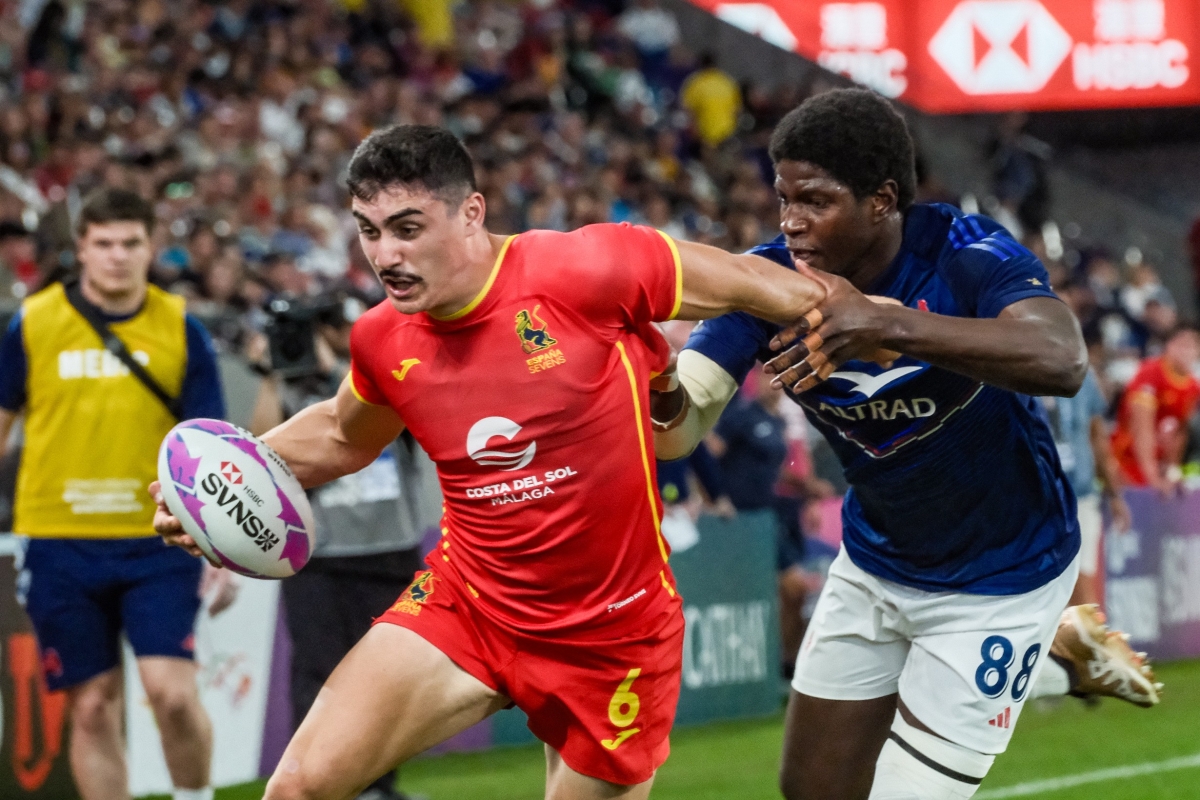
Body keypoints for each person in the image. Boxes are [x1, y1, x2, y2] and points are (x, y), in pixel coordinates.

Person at [151, 124, 831, 800]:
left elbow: (761, 286)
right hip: (469, 605)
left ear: (471, 212)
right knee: (295, 789)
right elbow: (340, 434)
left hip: (613, 632)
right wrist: (218, 486)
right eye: (368, 231)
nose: (385, 255)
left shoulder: (591, 267)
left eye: (408, 228)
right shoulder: (383, 337)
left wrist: (878, 322)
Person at [652, 89, 1160, 800]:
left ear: (882, 200)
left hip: (1004, 573)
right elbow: (678, 431)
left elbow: (1063, 359)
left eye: (816, 201)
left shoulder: (964, 253)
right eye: (784, 199)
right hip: (877, 562)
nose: (791, 221)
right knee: (810, 791)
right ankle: (1060, 655)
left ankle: (1048, 644)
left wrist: (886, 325)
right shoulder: (768, 282)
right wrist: (655, 377)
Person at [0, 188, 229, 800]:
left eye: (131, 243)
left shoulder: (182, 328)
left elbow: (209, 446)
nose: (117, 256)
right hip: (57, 540)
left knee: (171, 694)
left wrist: (223, 546)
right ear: (82, 248)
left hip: (159, 539)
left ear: (151, 247)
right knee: (92, 706)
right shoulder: (33, 323)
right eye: (103, 243)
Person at [248, 303, 435, 800]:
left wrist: (336, 367)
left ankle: (380, 786)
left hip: (390, 549)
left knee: (389, 681)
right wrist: (272, 375)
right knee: (317, 676)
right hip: (319, 558)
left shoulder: (380, 380)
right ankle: (321, 785)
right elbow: (257, 452)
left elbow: (373, 416)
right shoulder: (290, 391)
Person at [1039, 367, 1131, 607]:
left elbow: (1097, 435)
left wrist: (1114, 493)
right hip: (1036, 499)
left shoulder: (1080, 371)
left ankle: (1088, 629)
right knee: (1051, 587)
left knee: (1081, 578)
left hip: (1080, 494)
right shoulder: (1018, 366)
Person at [1110, 325, 1200, 495]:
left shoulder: (1193, 387)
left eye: (1192, 346)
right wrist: (1153, 479)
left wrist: (1172, 471)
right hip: (1128, 459)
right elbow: (1142, 430)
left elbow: (1180, 433)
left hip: (1159, 462)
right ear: (1169, 346)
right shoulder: (1150, 373)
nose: (1186, 352)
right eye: (1182, 345)